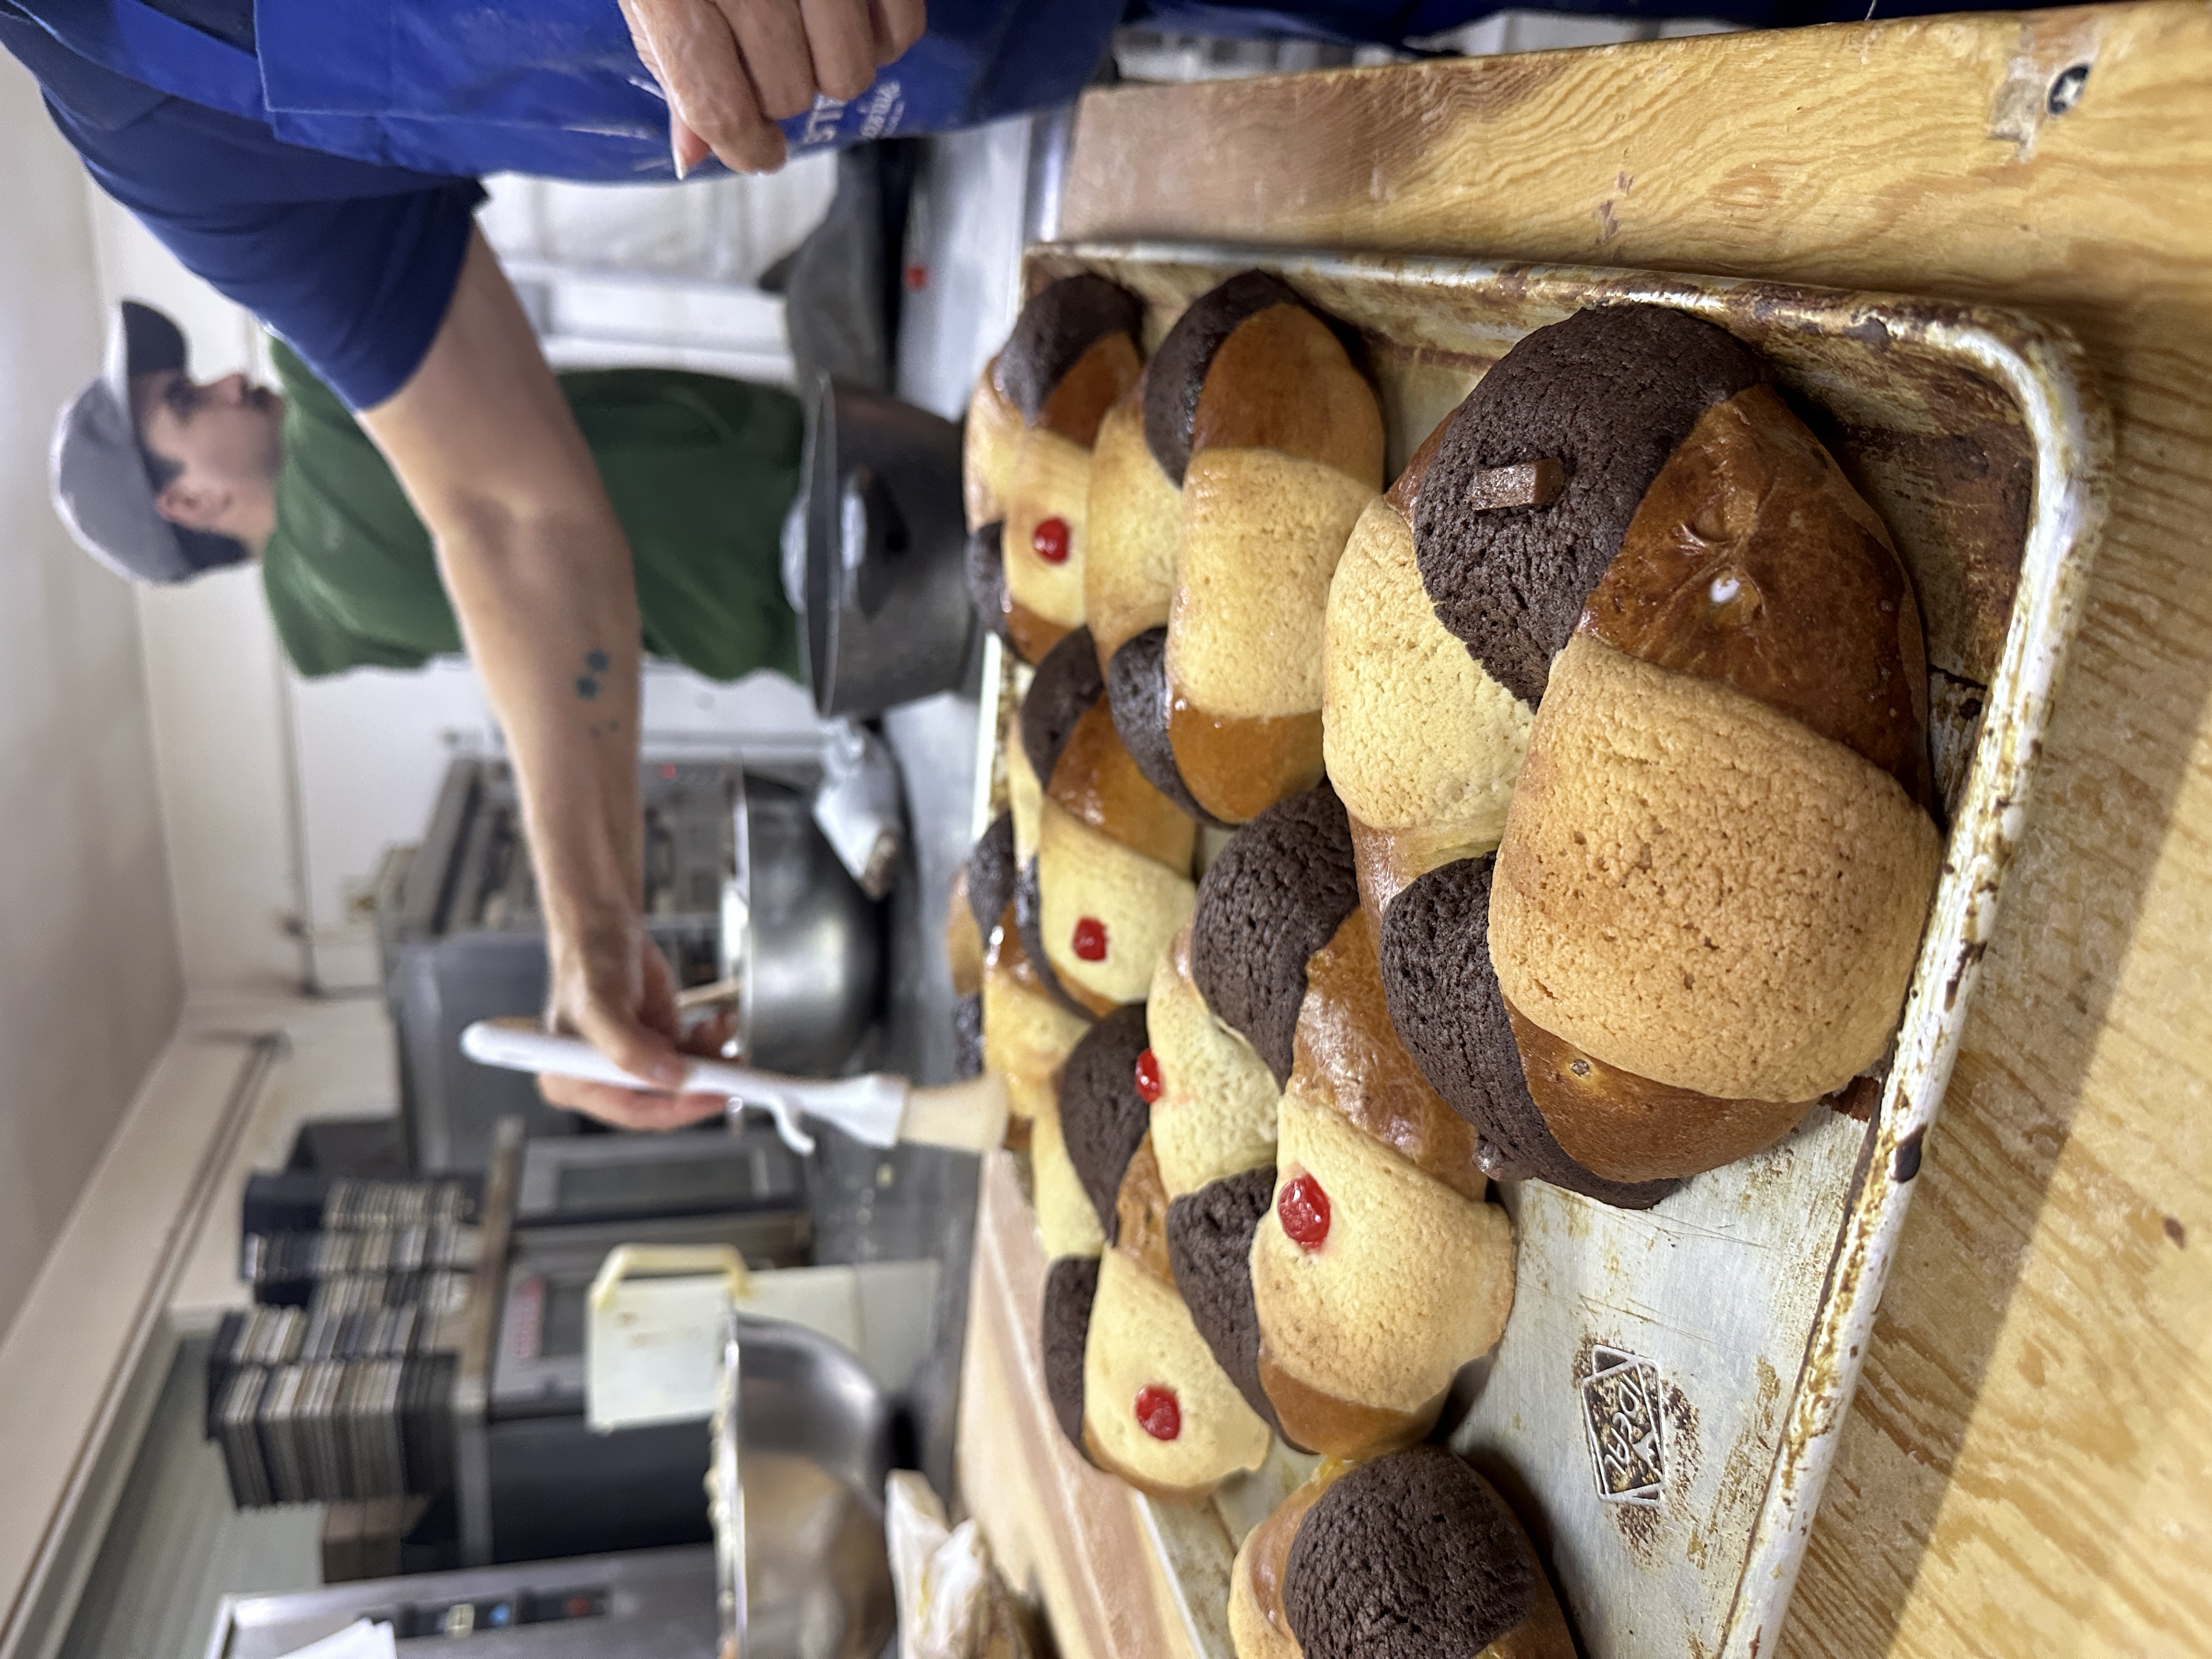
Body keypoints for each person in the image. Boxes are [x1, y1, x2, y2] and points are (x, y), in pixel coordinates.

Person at [57, 300, 805, 687]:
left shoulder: (332, 607)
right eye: (188, 402)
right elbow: (290, 260)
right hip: (806, 520)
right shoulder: (332, 497)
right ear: (189, 504)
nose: (228, 382)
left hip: (791, 619)